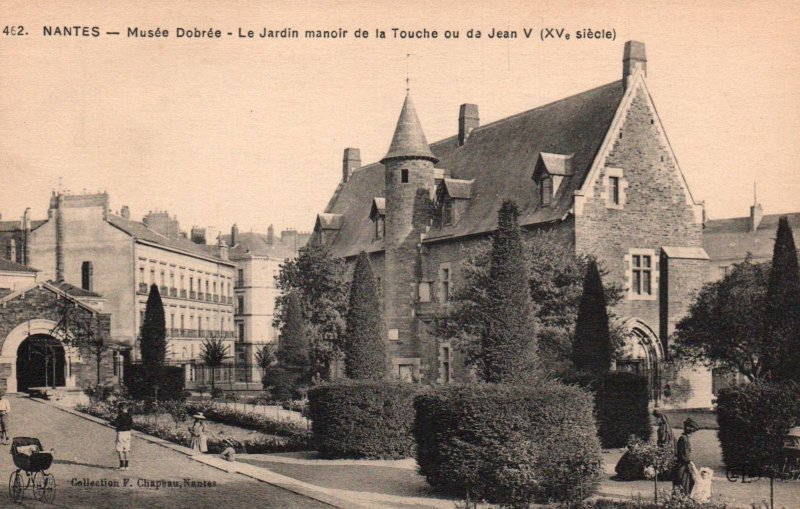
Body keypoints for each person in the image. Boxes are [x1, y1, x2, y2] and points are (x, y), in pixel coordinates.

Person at [673, 417, 700, 495]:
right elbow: (685, 456)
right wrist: (691, 463)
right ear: (690, 432)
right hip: (683, 466)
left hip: (682, 465)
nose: (692, 434)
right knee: (684, 484)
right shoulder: (684, 440)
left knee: (685, 484)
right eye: (692, 432)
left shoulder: (684, 438)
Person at [111, 401, 133, 470]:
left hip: (121, 433)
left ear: (121, 408)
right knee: (127, 449)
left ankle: (121, 465)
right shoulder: (130, 416)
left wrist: (110, 423)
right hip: (128, 433)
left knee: (119, 449)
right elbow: (131, 425)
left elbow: (115, 423)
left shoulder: (120, 416)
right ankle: (127, 466)